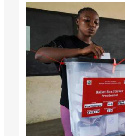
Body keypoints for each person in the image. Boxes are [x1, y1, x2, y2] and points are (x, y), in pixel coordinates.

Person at [35, 7, 104, 136]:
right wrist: (80, 51)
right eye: (87, 20)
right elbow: (40, 54)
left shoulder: (96, 48)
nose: (92, 25)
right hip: (70, 103)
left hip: (93, 104)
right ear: (77, 21)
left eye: (96, 22)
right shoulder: (64, 42)